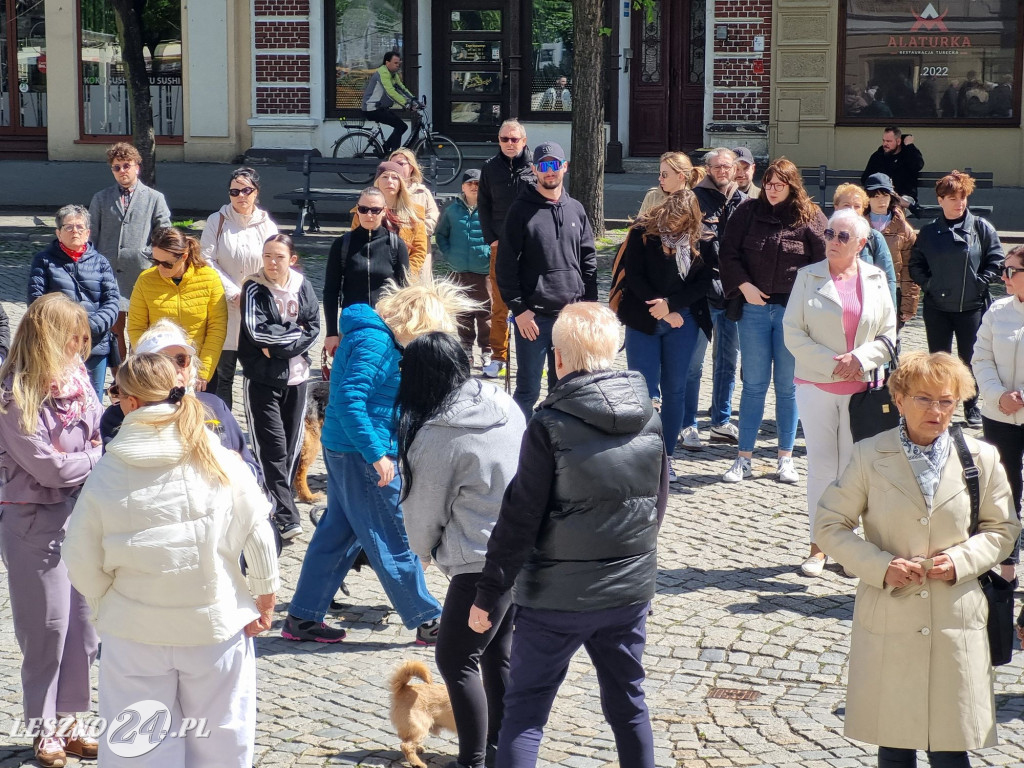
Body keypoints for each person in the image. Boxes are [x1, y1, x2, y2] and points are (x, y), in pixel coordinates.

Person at [468, 302, 667, 768]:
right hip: (627, 591)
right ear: (614, 349)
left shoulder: (549, 425)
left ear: (558, 359)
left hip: (554, 599)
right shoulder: (651, 417)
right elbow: (655, 506)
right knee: (629, 703)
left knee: (526, 714)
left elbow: (519, 519)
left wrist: (489, 593)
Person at [64, 353, 279, 768]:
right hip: (213, 626)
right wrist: (265, 598)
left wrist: (106, 604)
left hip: (134, 632)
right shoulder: (214, 454)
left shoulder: (108, 470)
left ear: (127, 402)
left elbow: (79, 555)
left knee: (139, 750)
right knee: (221, 745)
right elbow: (258, 529)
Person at [815, 351, 1020, 768]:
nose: (936, 411)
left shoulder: (981, 458)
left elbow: (1003, 529)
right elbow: (829, 526)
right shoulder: (869, 455)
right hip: (891, 612)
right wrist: (879, 566)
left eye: (947, 401)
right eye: (924, 399)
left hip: (955, 613)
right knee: (894, 746)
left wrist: (963, 561)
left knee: (951, 748)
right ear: (901, 399)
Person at [281, 277, 474, 645]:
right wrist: (377, 456)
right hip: (361, 453)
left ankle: (303, 617)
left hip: (346, 448)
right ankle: (427, 618)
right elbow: (350, 402)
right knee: (393, 534)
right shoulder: (376, 342)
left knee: (338, 535)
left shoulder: (372, 335)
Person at [398, 332, 527, 768]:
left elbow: (423, 508)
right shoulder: (503, 402)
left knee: (456, 658)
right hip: (520, 549)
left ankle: (473, 761)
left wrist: (425, 550)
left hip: (478, 560)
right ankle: (500, 753)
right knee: (496, 651)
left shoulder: (435, 436)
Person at [0, 294, 102, 768]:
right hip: (33, 522)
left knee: (83, 628)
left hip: (82, 518)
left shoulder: (79, 380)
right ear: (48, 337)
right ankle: (44, 730)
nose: (81, 346)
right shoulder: (13, 394)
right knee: (47, 630)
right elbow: (49, 469)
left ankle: (72, 720)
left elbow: (103, 431)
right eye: (74, 336)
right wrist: (91, 460)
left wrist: (84, 460)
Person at [783, 208, 897, 576]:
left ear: (862, 244)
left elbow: (889, 334)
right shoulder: (807, 276)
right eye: (830, 234)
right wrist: (835, 363)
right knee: (821, 466)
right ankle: (819, 545)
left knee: (853, 469)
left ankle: (849, 546)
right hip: (816, 384)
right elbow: (793, 333)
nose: (833, 241)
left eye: (843, 237)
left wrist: (860, 359)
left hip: (862, 388)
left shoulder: (877, 278)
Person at [719, 157, 828, 484]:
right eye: (768, 183)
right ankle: (744, 458)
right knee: (753, 384)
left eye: (780, 184)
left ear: (792, 186)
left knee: (787, 387)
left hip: (791, 315)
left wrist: (806, 301)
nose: (773, 190)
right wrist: (743, 286)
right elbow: (728, 252)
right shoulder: (748, 212)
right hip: (752, 309)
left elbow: (825, 264)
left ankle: (785, 458)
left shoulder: (810, 216)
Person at [496, 141, 598, 416]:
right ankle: (518, 448)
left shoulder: (576, 208)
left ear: (565, 167)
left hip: (570, 316)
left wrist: (589, 308)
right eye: (543, 166)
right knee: (528, 389)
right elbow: (505, 265)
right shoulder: (520, 211)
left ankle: (555, 447)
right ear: (534, 170)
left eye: (554, 165)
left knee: (565, 388)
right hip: (534, 318)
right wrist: (519, 310)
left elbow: (588, 262)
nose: (549, 172)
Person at [615, 190, 712, 481]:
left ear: (691, 220)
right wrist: (660, 307)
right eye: (669, 218)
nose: (671, 226)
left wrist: (671, 307)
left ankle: (666, 457)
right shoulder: (643, 232)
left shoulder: (704, 240)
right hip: (643, 319)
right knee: (641, 391)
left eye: (679, 222)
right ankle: (641, 455)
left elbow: (703, 283)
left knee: (675, 390)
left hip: (682, 322)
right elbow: (634, 274)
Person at [99, 319, 262, 487]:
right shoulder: (120, 414)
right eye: (162, 361)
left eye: (181, 359)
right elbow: (114, 481)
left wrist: (240, 468)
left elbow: (255, 471)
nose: (175, 367)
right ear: (141, 371)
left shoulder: (213, 405)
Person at [239, 234, 320, 541]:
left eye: (279, 257)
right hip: (263, 380)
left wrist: (283, 347)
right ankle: (286, 515)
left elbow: (313, 326)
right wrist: (291, 338)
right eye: (268, 256)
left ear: (292, 260)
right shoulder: (253, 288)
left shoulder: (303, 286)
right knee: (270, 448)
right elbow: (258, 333)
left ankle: (273, 504)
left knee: (290, 447)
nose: (272, 263)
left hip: (298, 380)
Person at [909, 170, 1004, 429]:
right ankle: (938, 404)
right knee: (939, 360)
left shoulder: (981, 228)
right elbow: (915, 264)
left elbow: (996, 259)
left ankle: (971, 404)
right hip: (937, 308)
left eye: (963, 197)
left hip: (971, 307)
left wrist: (980, 281)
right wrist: (930, 284)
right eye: (952, 198)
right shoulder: (929, 232)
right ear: (940, 200)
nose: (959, 202)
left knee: (971, 357)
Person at [680, 147, 744, 450]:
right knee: (692, 364)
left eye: (727, 167)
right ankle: (687, 424)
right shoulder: (694, 200)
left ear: (735, 169)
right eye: (717, 167)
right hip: (701, 293)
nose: (723, 171)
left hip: (732, 294)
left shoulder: (744, 202)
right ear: (707, 169)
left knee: (727, 362)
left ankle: (720, 422)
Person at [201, 167, 279, 408]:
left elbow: (275, 263)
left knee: (257, 375)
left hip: (257, 311)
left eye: (246, 190)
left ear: (256, 192)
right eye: (234, 191)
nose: (240, 196)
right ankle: (222, 430)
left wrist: (254, 294)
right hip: (223, 306)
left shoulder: (267, 225)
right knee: (223, 375)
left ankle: (257, 427)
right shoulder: (217, 220)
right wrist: (234, 291)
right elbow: (206, 260)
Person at [969, 244, 1024, 582]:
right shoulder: (997, 311)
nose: (1003, 276)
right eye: (1004, 269)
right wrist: (997, 395)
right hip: (1000, 416)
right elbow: (981, 358)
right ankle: (1007, 567)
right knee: (1004, 491)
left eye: (1012, 271)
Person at [88, 141, 172, 365]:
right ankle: (119, 380)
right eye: (117, 167)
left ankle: (139, 374)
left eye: (126, 165)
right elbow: (91, 236)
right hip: (109, 275)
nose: (122, 171)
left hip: (141, 274)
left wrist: (147, 254)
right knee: (114, 332)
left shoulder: (154, 198)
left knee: (141, 331)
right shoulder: (101, 198)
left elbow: (164, 233)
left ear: (137, 167)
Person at [28, 204, 121, 396]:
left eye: (79, 227)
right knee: (58, 398)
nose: (74, 231)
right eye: (68, 227)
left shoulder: (101, 262)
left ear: (88, 232)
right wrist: (67, 329)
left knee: (94, 399)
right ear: (58, 232)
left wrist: (89, 327)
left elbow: (112, 302)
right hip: (58, 345)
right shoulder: (44, 261)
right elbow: (37, 302)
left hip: (94, 344)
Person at [127, 226, 228, 391]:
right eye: (156, 261)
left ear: (184, 257)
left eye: (167, 264)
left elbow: (217, 328)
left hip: (198, 370)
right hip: (158, 371)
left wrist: (203, 371)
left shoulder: (209, 278)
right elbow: (136, 328)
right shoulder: (145, 280)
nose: (160, 268)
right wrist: (150, 366)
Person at [478, 120, 536, 379]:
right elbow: (483, 205)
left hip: (531, 246)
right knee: (499, 306)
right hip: (501, 246)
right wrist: (492, 239)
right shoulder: (490, 167)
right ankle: (498, 357)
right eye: (505, 139)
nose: (510, 144)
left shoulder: (536, 165)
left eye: (515, 139)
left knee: (532, 303)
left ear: (524, 140)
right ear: (498, 140)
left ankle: (533, 356)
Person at [323, 187, 410, 356]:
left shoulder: (396, 245)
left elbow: (405, 293)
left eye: (375, 210)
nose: (369, 215)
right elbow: (330, 292)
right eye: (363, 209)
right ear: (357, 210)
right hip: (352, 324)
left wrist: (404, 331)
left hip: (386, 325)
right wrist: (331, 333)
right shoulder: (342, 245)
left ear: (384, 211)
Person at [437, 168, 492, 368]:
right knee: (462, 311)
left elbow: (498, 236)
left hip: (483, 270)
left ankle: (487, 350)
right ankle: (466, 346)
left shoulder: (490, 209)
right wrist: (449, 254)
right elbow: (441, 234)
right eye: (469, 183)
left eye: (477, 184)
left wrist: (489, 254)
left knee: (486, 313)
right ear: (463, 187)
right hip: (458, 270)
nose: (473, 187)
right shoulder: (452, 211)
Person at [864, 173, 919, 330]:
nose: (881, 201)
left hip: (894, 291)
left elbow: (910, 268)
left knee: (891, 339)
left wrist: (909, 305)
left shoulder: (904, 229)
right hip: (864, 288)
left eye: (885, 195)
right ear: (867, 198)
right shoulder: (858, 224)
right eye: (875, 196)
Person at [832, 183, 898, 309]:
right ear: (836, 207)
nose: (851, 210)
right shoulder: (826, 236)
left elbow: (887, 279)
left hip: (867, 307)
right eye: (846, 205)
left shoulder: (875, 238)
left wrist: (889, 314)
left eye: (857, 206)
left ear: (863, 209)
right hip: (831, 307)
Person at [370, 161, 429, 277]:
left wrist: (407, 274)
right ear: (377, 181)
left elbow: (419, 251)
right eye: (385, 177)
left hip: (403, 279)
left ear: (401, 183)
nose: (389, 181)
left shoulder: (414, 214)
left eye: (395, 177)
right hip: (371, 276)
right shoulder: (364, 210)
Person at [362, 51, 417, 154]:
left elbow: (401, 88)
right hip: (371, 108)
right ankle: (394, 155)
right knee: (400, 126)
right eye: (395, 63)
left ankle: (383, 149)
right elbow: (390, 92)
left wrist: (414, 100)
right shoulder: (382, 73)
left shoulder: (393, 74)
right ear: (387, 63)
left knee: (402, 126)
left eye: (399, 63)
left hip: (380, 108)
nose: (398, 66)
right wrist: (407, 104)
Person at [860, 126, 924, 210]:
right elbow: (865, 179)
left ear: (898, 141)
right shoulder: (878, 156)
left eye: (889, 141)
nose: (885, 144)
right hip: (881, 195)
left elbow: (918, 165)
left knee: (896, 207)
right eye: (884, 140)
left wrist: (909, 145)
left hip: (904, 196)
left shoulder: (908, 154)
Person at [390, 148, 441, 235]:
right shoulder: (384, 191)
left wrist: (413, 232)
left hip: (417, 244)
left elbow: (433, 219)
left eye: (400, 164)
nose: (396, 168)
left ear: (411, 168)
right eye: (392, 165)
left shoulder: (422, 192)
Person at [637, 151, 703, 217]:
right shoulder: (652, 196)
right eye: (660, 174)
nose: (659, 178)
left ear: (680, 176)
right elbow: (638, 225)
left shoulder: (695, 199)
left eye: (664, 174)